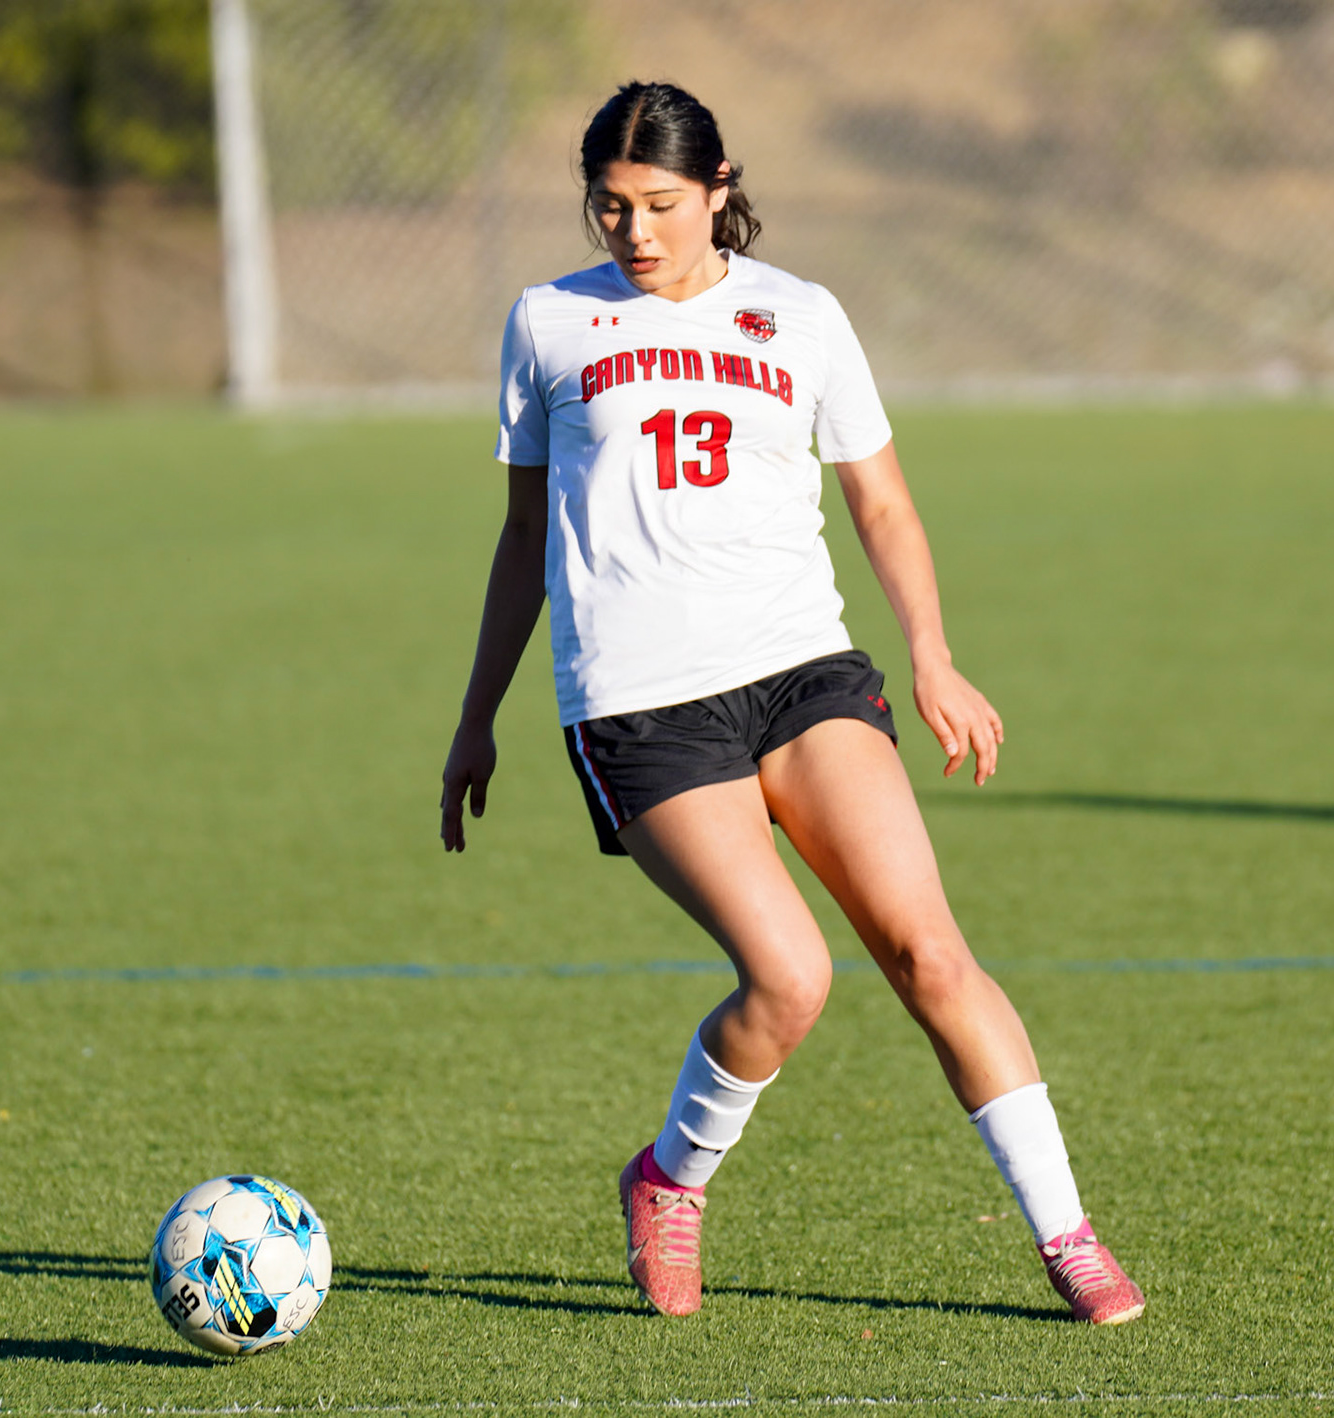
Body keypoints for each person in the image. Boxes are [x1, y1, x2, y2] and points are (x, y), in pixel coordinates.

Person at [440, 80, 1143, 1326]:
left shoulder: (802, 317)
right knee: (791, 976)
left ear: (719, 190)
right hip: (641, 703)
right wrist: (476, 711)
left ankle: (1069, 1237)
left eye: (661, 204)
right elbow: (518, 539)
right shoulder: (548, 323)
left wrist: (930, 653)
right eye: (610, 206)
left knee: (932, 952)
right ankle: (670, 1180)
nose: (636, 232)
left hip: (803, 673)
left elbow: (882, 500)